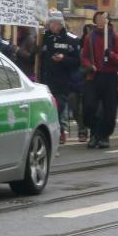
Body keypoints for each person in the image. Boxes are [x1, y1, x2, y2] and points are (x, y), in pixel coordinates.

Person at [81, 11, 118, 149]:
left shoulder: (115, 37)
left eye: (103, 19)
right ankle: (94, 132)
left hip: (110, 76)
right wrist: (89, 65)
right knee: (89, 106)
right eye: (98, 19)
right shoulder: (90, 37)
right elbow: (84, 56)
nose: (100, 21)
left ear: (108, 21)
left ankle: (104, 135)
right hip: (94, 76)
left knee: (109, 109)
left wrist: (110, 55)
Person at [39, 9, 80, 145]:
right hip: (46, 81)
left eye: (55, 23)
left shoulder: (71, 40)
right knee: (47, 110)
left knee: (58, 107)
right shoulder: (44, 38)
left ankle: (60, 130)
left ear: (61, 24)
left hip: (62, 82)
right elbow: (37, 55)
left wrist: (63, 58)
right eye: (51, 23)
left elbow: (77, 61)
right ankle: (56, 132)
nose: (53, 26)